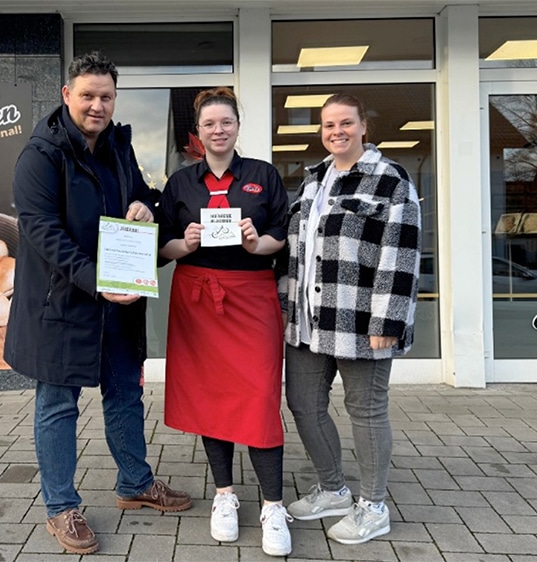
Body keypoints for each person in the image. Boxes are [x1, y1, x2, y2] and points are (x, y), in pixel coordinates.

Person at [4, 52, 192, 556]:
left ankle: (135, 483)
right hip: (61, 305)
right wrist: (95, 280)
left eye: (106, 96)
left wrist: (145, 206)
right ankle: (61, 507)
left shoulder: (117, 148)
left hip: (117, 301)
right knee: (58, 404)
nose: (97, 105)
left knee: (125, 395)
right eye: (87, 95)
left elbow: (146, 196)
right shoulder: (41, 155)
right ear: (67, 95)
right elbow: (43, 233)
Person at [279, 94, 422, 545]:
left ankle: (373, 506)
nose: (336, 131)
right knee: (303, 404)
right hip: (308, 321)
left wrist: (388, 321)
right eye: (328, 125)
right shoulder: (313, 180)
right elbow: (295, 253)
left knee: (366, 410)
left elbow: (400, 254)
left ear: (364, 126)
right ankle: (333, 489)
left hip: (362, 322)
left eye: (345, 123)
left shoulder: (390, 180)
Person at [157, 87, 292, 556]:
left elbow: (282, 235)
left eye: (226, 123)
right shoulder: (181, 183)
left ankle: (273, 505)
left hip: (251, 297)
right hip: (197, 299)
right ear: (197, 133)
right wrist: (185, 243)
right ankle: (225, 496)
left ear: (238, 127)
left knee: (258, 397)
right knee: (213, 397)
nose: (218, 130)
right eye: (210, 124)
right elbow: (162, 247)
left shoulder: (263, 175)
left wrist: (259, 243)